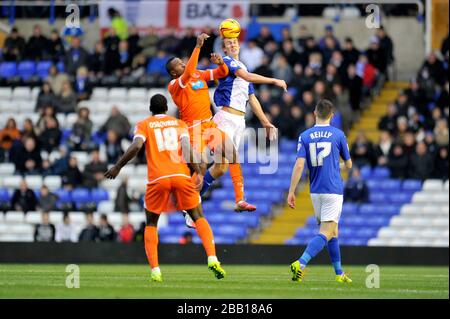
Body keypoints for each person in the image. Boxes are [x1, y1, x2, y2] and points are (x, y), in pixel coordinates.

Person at [104, 93, 226, 282]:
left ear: (151, 110)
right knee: (198, 216)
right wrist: (199, 172)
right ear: (167, 108)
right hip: (180, 175)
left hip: (158, 178)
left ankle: (155, 271)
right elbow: (187, 150)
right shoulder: (179, 124)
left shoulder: (144, 124)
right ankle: (212, 257)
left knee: (151, 223)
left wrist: (118, 166)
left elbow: (136, 146)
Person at [166, 33, 256, 214]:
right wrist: (198, 46)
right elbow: (189, 72)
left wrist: (221, 63)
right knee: (200, 169)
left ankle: (240, 199)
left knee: (232, 153)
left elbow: (220, 73)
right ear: (173, 72)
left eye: (182, 61)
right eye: (178, 64)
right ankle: (187, 204)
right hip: (193, 130)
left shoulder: (198, 74)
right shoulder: (175, 84)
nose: (183, 63)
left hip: (209, 126)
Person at [206, 35, 287, 210]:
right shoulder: (228, 62)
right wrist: (273, 80)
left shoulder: (242, 66)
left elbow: (252, 98)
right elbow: (248, 77)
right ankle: (240, 200)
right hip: (224, 120)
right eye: (229, 43)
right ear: (225, 49)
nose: (233, 44)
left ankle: (191, 197)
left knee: (220, 169)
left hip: (238, 122)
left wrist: (265, 122)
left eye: (235, 42)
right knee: (233, 156)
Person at [287, 99, 353, 283]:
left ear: (314, 114)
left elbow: (299, 165)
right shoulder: (339, 135)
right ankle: (300, 263)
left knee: (333, 231)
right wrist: (337, 164)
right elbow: (349, 164)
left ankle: (339, 274)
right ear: (332, 116)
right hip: (333, 189)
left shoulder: (305, 136)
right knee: (326, 230)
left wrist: (291, 191)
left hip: (315, 190)